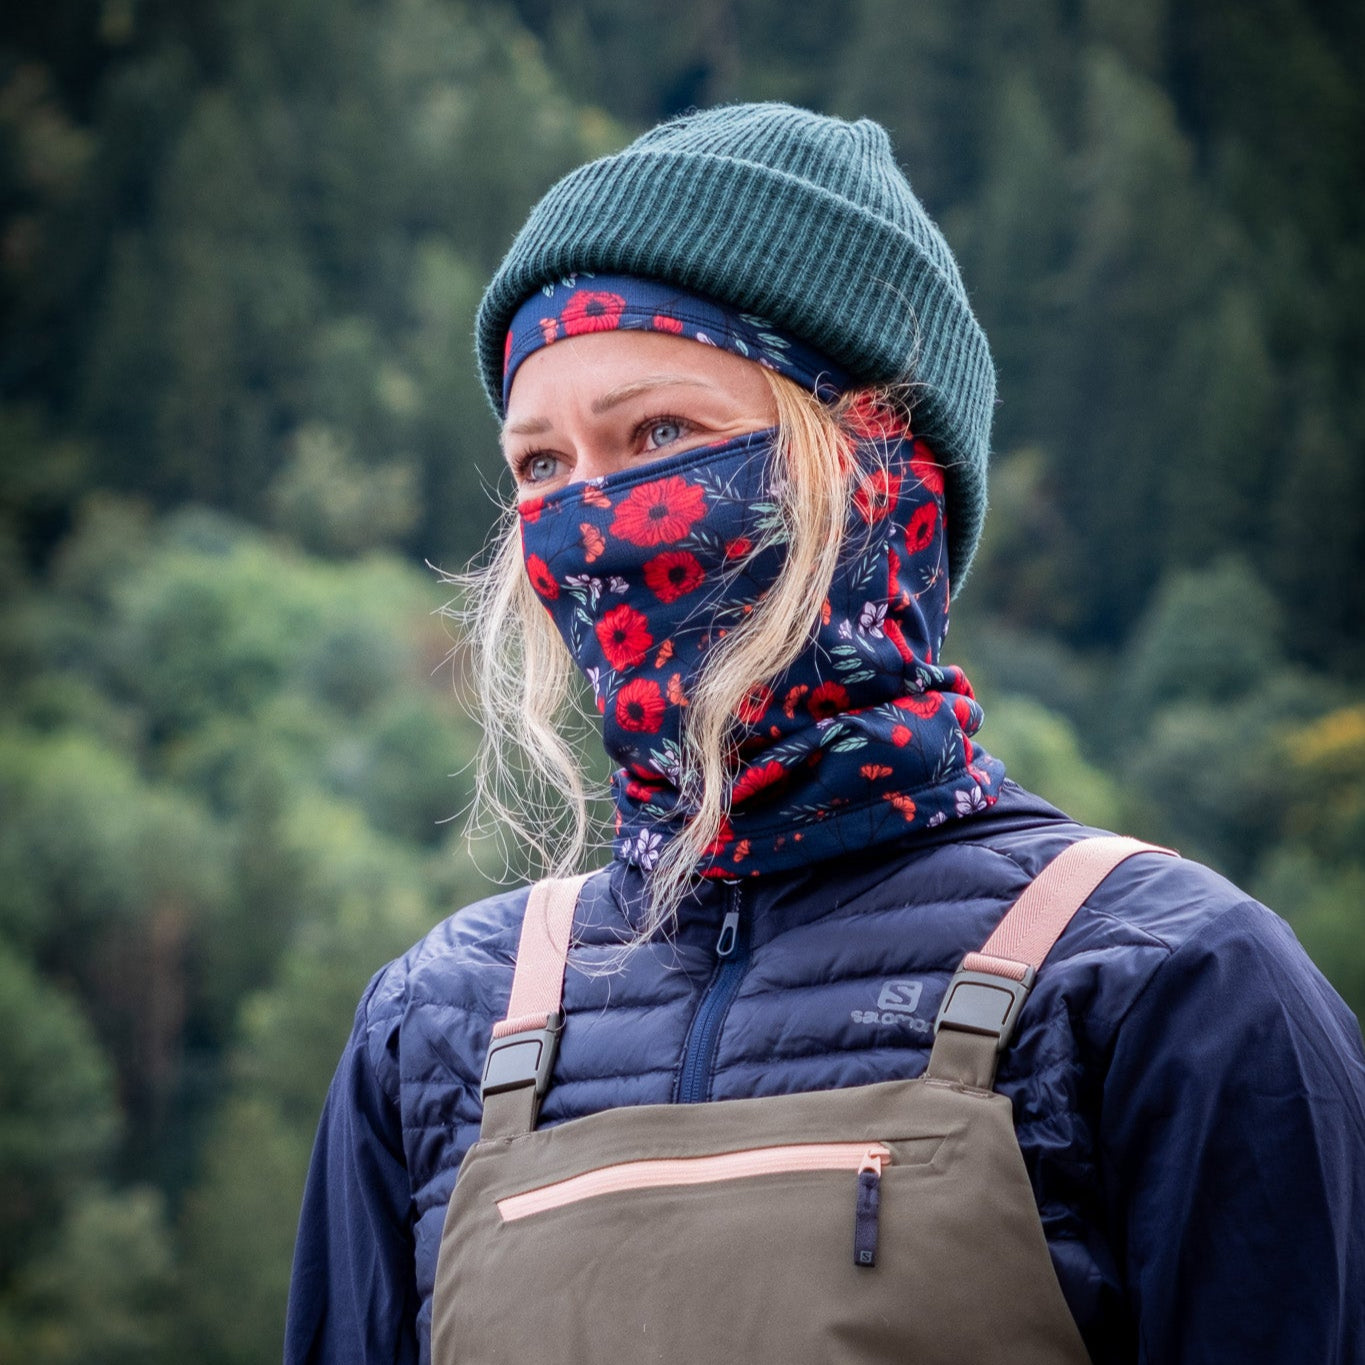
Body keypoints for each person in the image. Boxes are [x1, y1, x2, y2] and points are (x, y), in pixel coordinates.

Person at [284, 104, 1365, 1364]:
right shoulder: (436, 1027)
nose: (594, 519)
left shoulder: (1166, 988)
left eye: (661, 435)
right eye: (541, 466)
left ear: (875, 467)